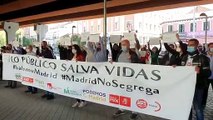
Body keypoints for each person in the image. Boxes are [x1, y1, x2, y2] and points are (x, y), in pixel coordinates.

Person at [183, 39, 211, 120]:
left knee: (198, 108)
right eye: (188, 45)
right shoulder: (184, 57)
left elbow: (208, 73)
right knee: (187, 108)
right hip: (185, 87)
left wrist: (200, 71)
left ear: (196, 46)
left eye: (191, 45)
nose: (189, 47)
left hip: (198, 86)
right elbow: (180, 70)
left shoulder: (203, 58)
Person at [113, 39, 139, 120]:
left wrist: (132, 59)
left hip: (131, 79)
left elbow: (138, 64)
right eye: (122, 44)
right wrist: (112, 63)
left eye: (124, 44)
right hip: (121, 78)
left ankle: (134, 112)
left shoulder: (132, 53)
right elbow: (117, 62)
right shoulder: (119, 53)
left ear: (128, 45)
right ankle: (121, 109)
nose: (123, 46)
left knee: (132, 94)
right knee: (122, 94)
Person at [202, 42, 213, 109]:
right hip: (206, 77)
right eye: (210, 46)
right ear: (208, 48)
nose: (211, 48)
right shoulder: (205, 56)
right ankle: (203, 104)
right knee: (204, 92)